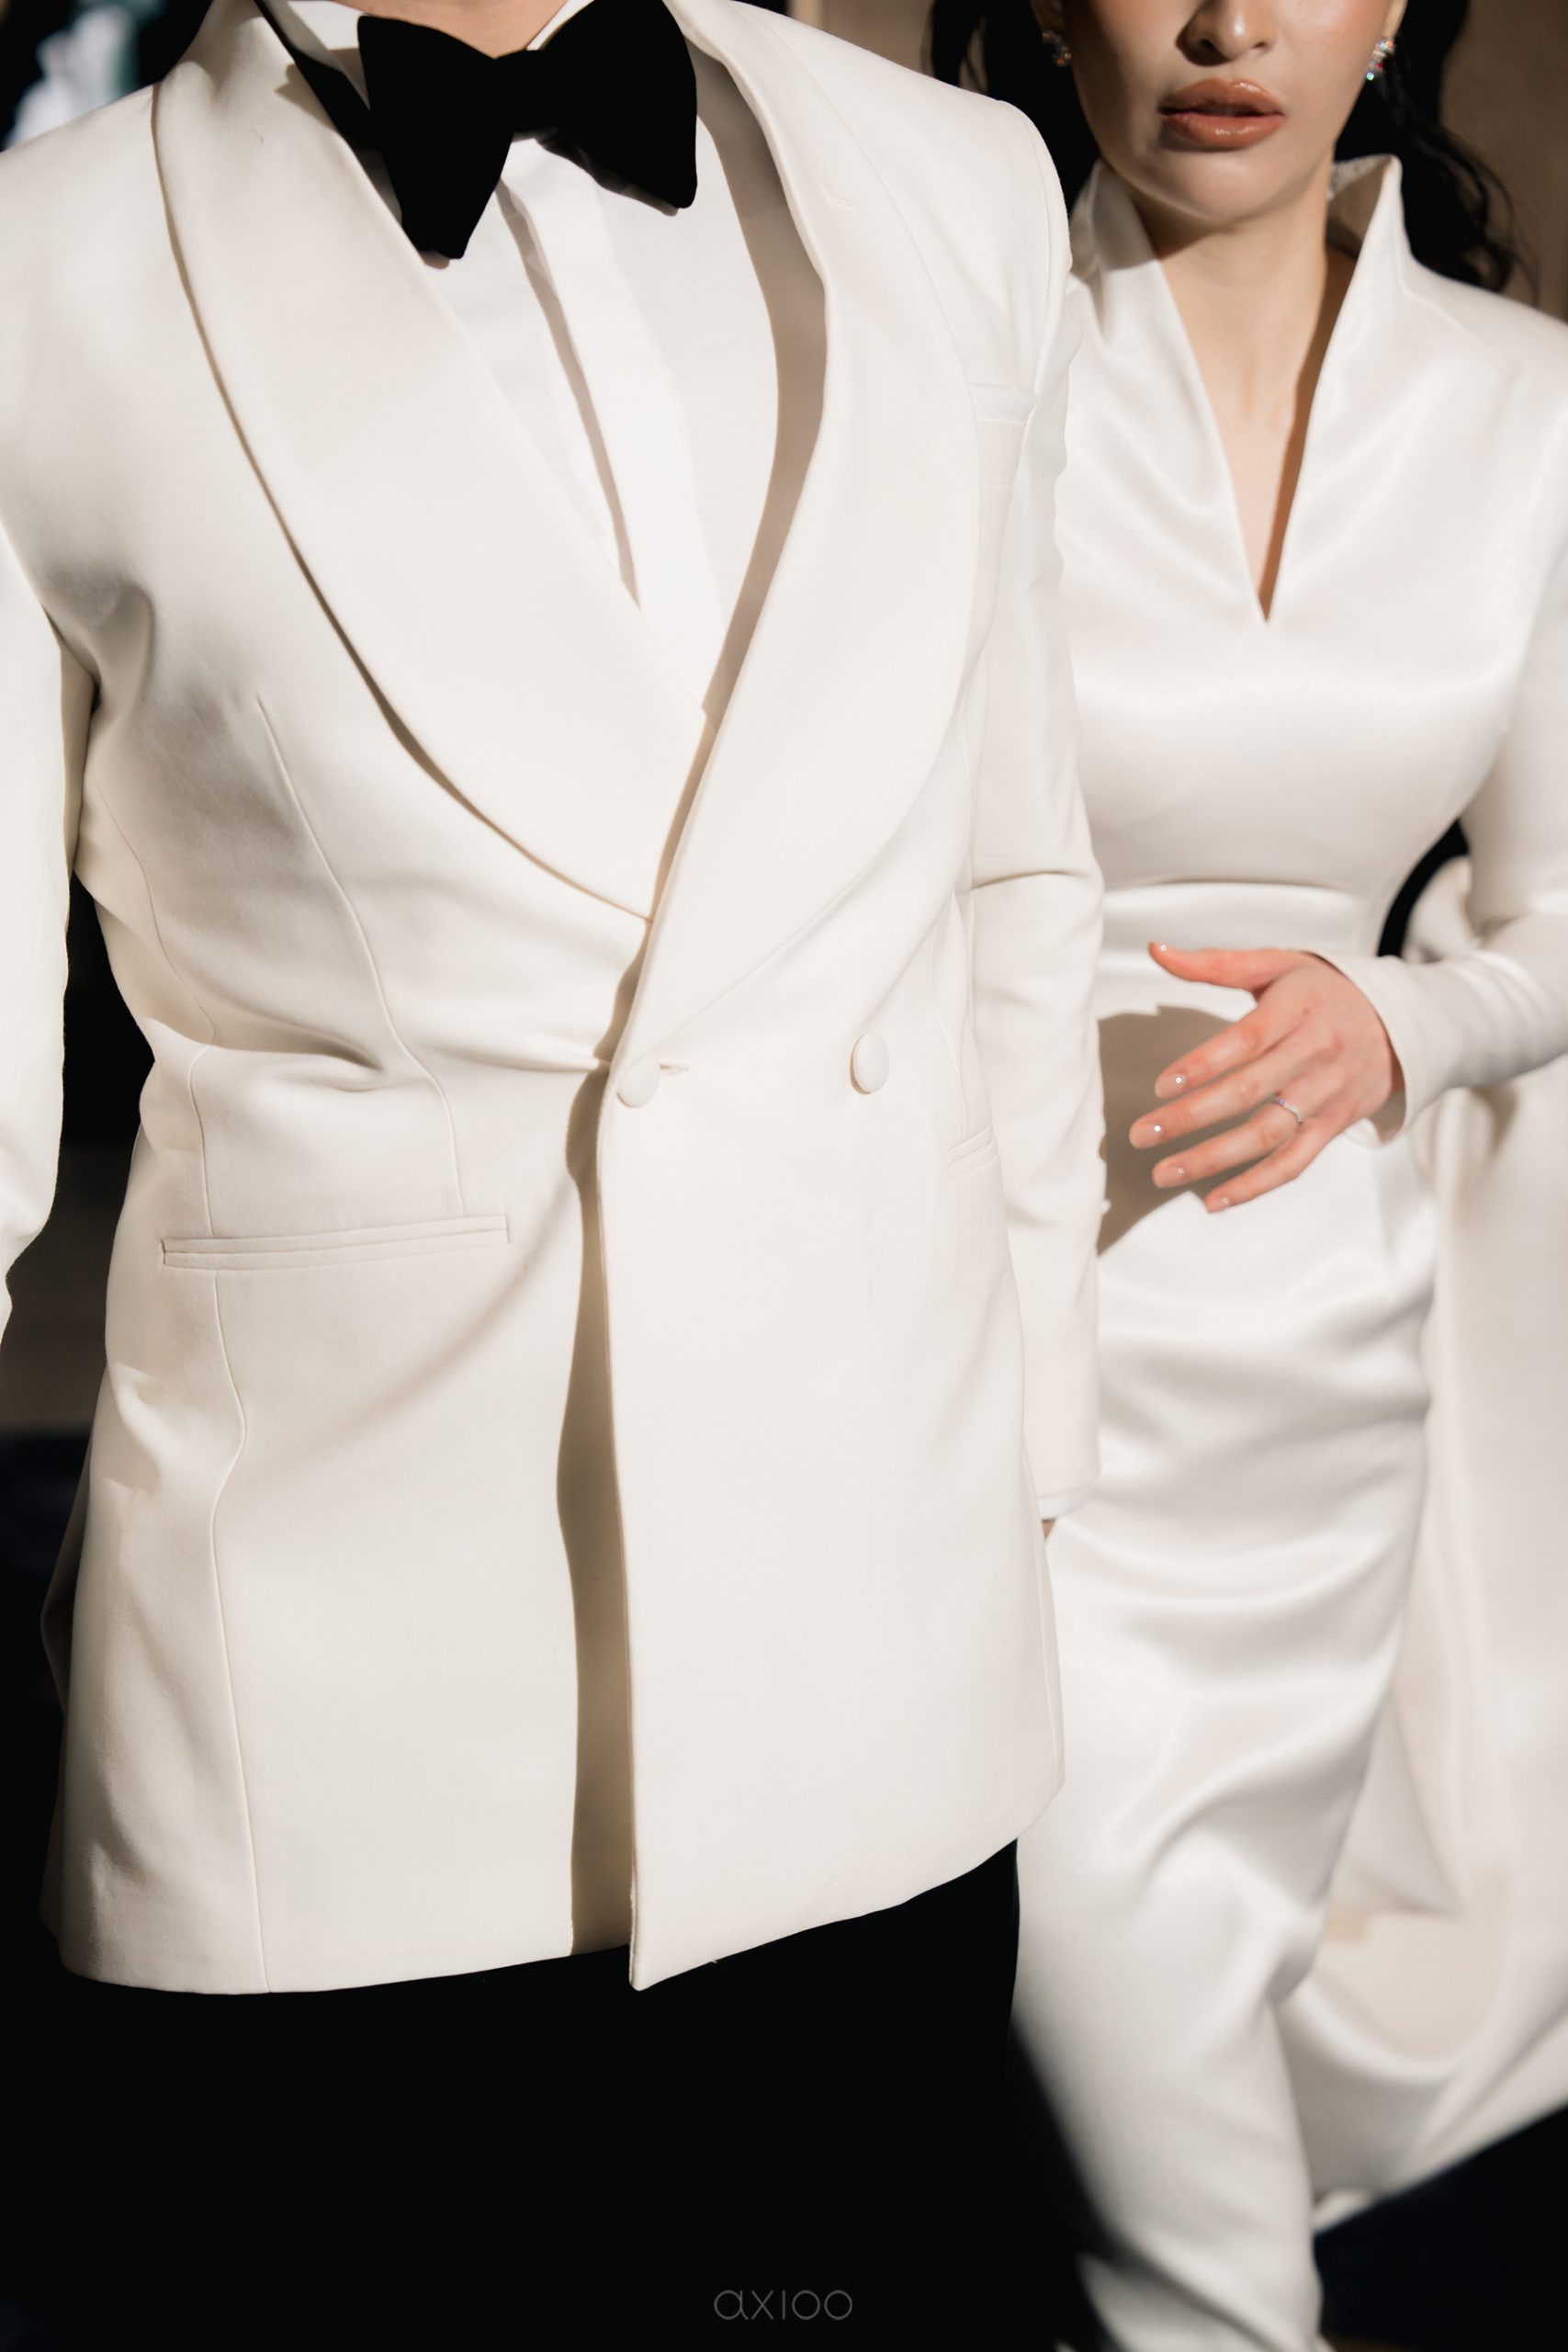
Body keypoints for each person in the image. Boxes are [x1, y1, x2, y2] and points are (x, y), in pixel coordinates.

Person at [0, 0, 1103, 2338]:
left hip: (886, 1688)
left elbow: (1014, 877)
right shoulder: (41, 270)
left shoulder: (953, 182)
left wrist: (1020, 1468)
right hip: (345, 1737)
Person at [929, 2, 1568, 2346]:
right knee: (1146, 2083)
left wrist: (1398, 1019)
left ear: (1394, 13)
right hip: (986, 1348)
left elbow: (1554, 911)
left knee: (1188, 2034)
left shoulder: (1523, 408)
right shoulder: (947, 362)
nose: (1222, 23)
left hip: (1323, 1366)